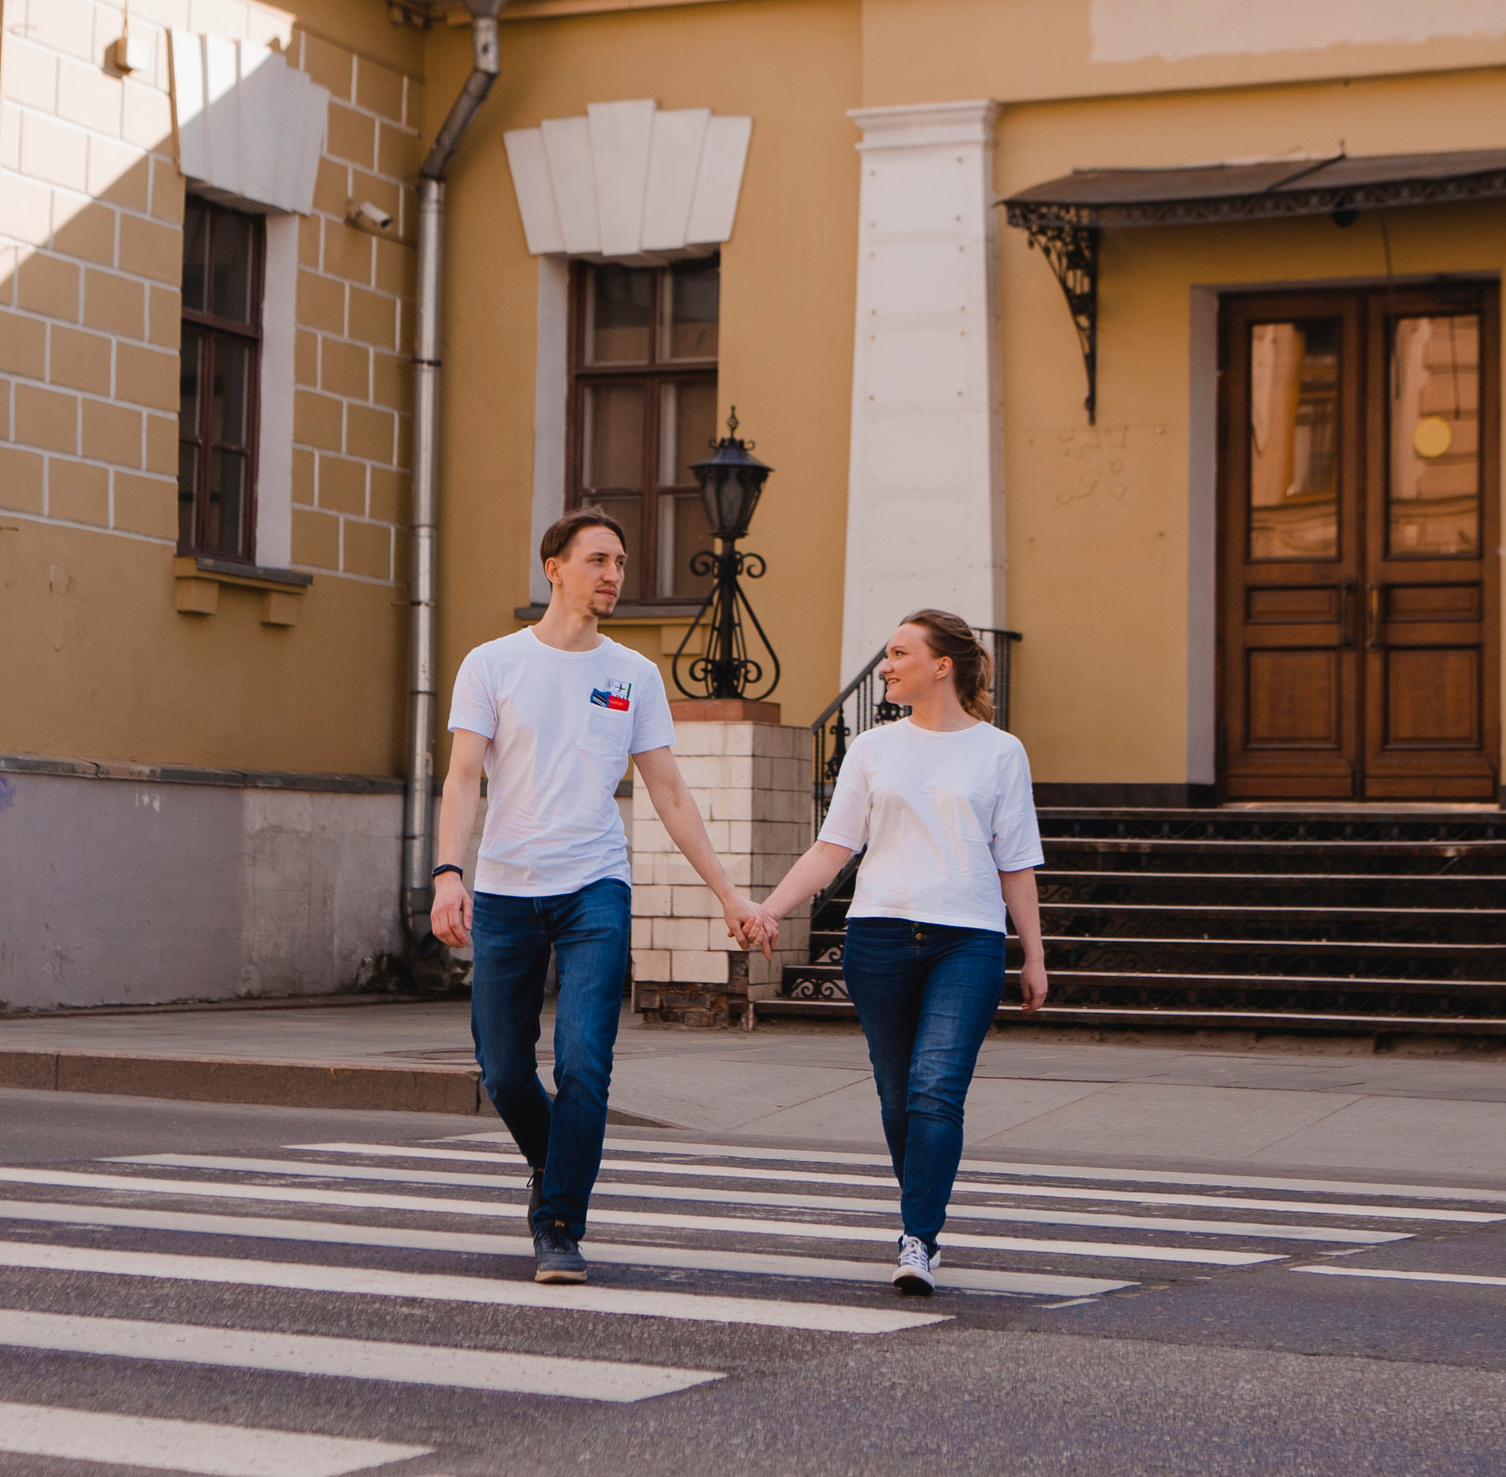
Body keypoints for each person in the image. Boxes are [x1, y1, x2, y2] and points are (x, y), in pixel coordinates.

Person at [432, 509, 757, 1283]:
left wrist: (728, 894)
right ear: (555, 567)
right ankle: (557, 1167)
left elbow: (670, 793)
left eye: (619, 561)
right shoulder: (491, 663)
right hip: (508, 891)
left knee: (584, 1063)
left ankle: (558, 1224)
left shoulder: (633, 675)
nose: (614, 575)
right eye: (598, 560)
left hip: (595, 891)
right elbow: (463, 777)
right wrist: (450, 872)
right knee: (504, 1071)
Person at [741, 609, 1047, 1294]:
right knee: (896, 1096)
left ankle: (919, 1238)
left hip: (965, 942)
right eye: (886, 655)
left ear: (942, 665)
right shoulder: (874, 748)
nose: (886, 666)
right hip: (878, 936)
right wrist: (769, 909)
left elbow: (1017, 862)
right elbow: (834, 846)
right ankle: (923, 1211)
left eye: (899, 653)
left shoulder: (1001, 751)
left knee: (936, 1090)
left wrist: (1034, 954)